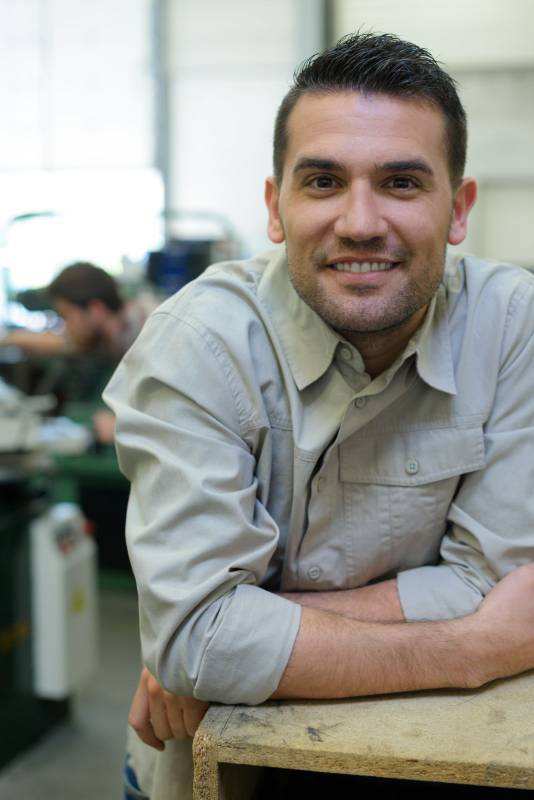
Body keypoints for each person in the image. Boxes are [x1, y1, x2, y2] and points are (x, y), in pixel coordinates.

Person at [103, 32, 534, 800]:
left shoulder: (511, 324)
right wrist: (472, 649)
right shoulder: (198, 345)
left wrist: (236, 630)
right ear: (276, 208)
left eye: (402, 182)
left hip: (426, 755)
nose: (360, 222)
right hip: (222, 770)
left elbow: (498, 579)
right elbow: (199, 642)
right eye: (324, 181)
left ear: (459, 208)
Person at [2, 262, 158, 441]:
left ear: (95, 310)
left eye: (67, 316)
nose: (65, 328)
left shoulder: (150, 335)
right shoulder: (107, 333)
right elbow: (61, 344)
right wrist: (9, 339)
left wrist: (128, 425)